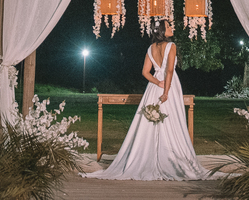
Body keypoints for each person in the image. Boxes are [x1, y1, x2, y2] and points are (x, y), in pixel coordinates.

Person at [84, 18, 209, 180]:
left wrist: (157, 82)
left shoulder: (150, 48)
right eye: (168, 26)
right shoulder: (171, 46)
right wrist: (166, 91)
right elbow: (169, 71)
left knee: (151, 121)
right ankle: (169, 159)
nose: (171, 28)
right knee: (171, 120)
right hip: (169, 86)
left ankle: (150, 158)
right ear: (162, 31)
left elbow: (145, 72)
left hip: (154, 88)